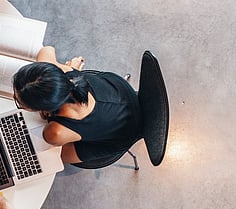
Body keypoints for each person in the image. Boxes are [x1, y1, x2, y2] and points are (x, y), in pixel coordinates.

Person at [13, 46, 143, 165]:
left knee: (52, 158)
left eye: (19, 103)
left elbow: (57, 147)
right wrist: (68, 69)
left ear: (41, 108)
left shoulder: (54, 132)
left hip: (122, 135)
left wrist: (50, 118)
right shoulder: (65, 72)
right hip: (121, 93)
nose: (14, 98)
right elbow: (46, 50)